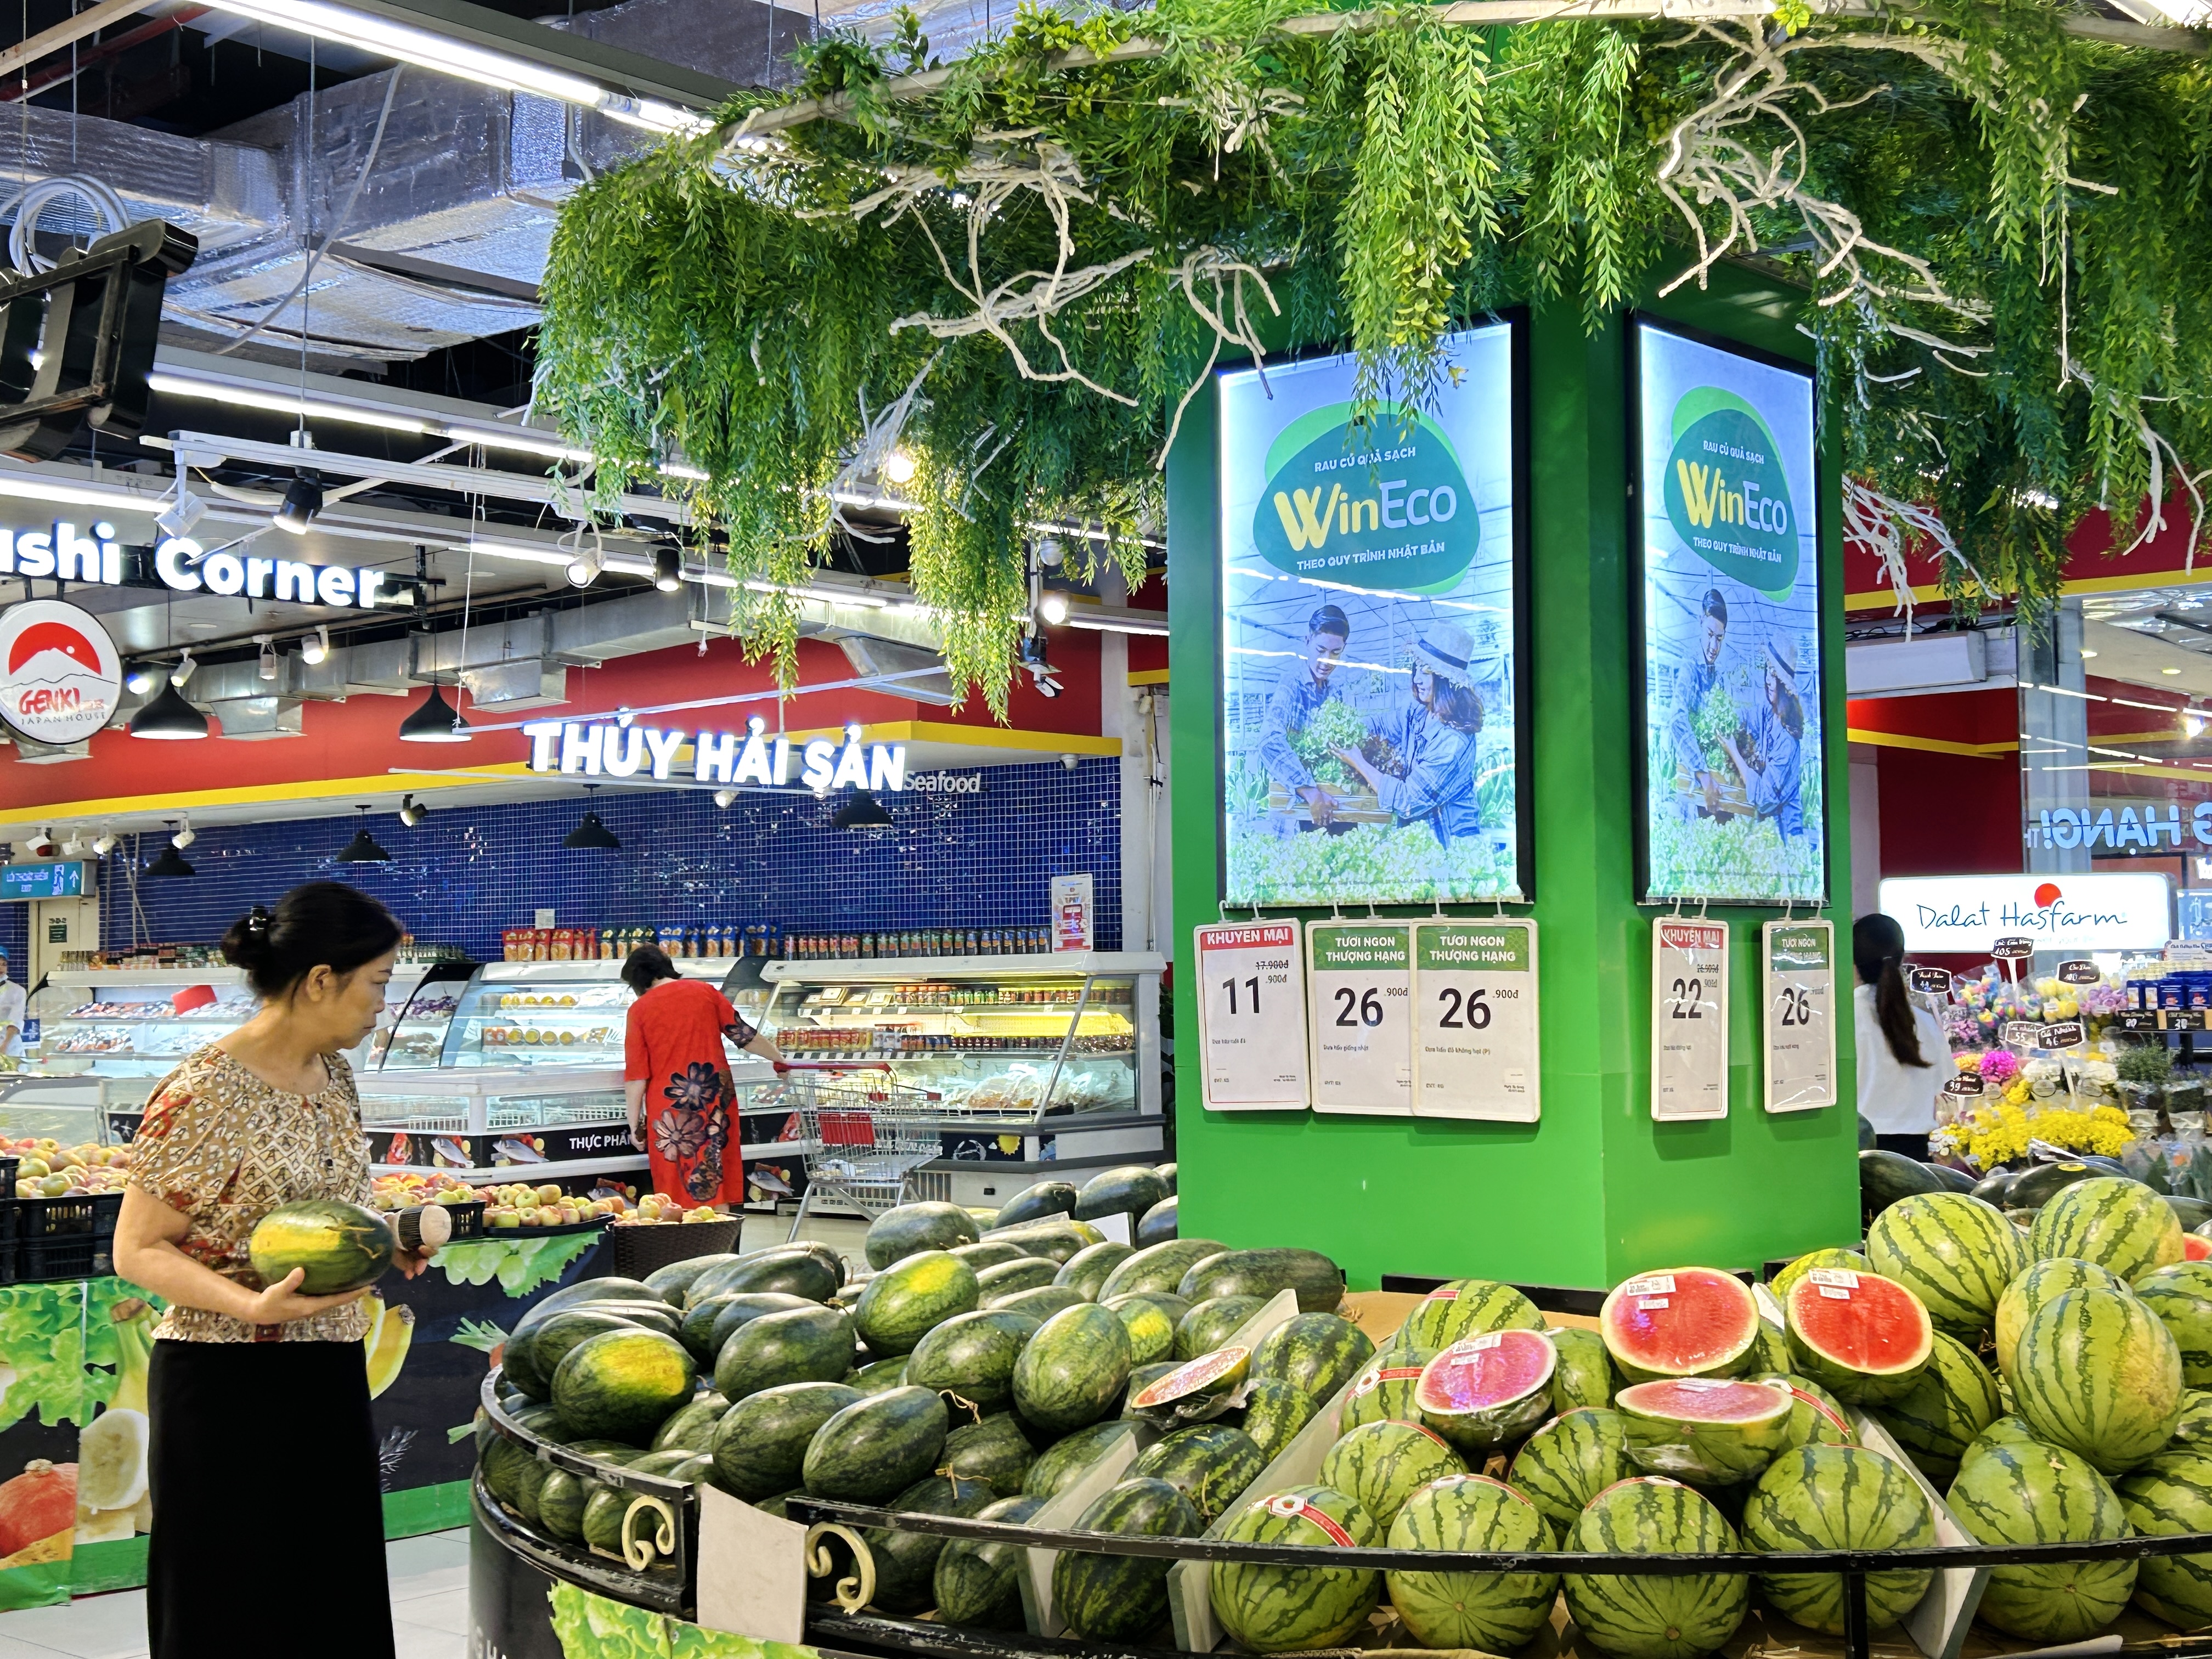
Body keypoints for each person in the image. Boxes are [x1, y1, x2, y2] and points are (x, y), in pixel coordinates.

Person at [111, 882, 436, 1659]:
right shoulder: (207, 1091)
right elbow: (138, 1248)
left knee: (329, 1596)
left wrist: (382, 1241)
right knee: (232, 1604)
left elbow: (320, 1212)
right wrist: (249, 1307)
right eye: (378, 984)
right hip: (226, 1383)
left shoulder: (336, 1076)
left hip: (327, 1367)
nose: (382, 1006)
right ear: (321, 980)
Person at [623, 944, 785, 1206]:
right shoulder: (705, 992)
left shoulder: (639, 1010)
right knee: (717, 1172)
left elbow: (636, 1076)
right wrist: (781, 1060)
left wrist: (634, 1125)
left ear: (637, 980)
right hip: (715, 1100)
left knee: (676, 1181)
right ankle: (722, 1229)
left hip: (671, 1110)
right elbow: (744, 1035)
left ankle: (684, 1229)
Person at [1334, 625, 1486, 845]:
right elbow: (1381, 725)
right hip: (1419, 837)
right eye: (1417, 670)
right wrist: (1344, 728)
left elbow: (1408, 801)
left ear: (1447, 682)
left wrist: (1358, 762)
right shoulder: (1419, 711)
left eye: (1427, 673)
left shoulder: (1453, 742)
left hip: (1448, 843)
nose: (1416, 679)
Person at [1854, 912, 1956, 1157]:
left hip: (1859, 1151)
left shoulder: (1840, 1019)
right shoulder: (1924, 1022)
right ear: (1901, 958)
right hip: (1915, 1156)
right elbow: (1943, 1082)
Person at [1257, 603, 1352, 832]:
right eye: (1321, 650)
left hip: (1333, 807)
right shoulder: (1292, 685)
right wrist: (1309, 791)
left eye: (1335, 653)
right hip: (1299, 812)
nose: (1327, 660)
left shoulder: (1335, 692)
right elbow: (1269, 741)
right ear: (1308, 641)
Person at [1722, 635, 1806, 842]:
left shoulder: (1787, 741)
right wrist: (1722, 713)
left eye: (1775, 676)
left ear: (1784, 686)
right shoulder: (1768, 714)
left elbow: (1763, 798)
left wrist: (1734, 752)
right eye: (1768, 671)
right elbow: (1744, 717)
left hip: (1784, 837)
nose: (1768, 680)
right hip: (1767, 832)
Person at [1666, 587, 1731, 816]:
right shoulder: (1690, 666)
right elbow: (1677, 719)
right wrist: (1703, 775)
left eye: (1720, 639)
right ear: (1701, 621)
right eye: (1710, 635)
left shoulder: (1717, 674)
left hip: (1713, 780)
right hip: (1693, 778)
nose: (1714, 647)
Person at [0, 950, 23, 1073]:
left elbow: (15, 1021)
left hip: (9, 1048)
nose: (1, 968)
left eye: (4, 964)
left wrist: (4, 1046)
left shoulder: (17, 991)